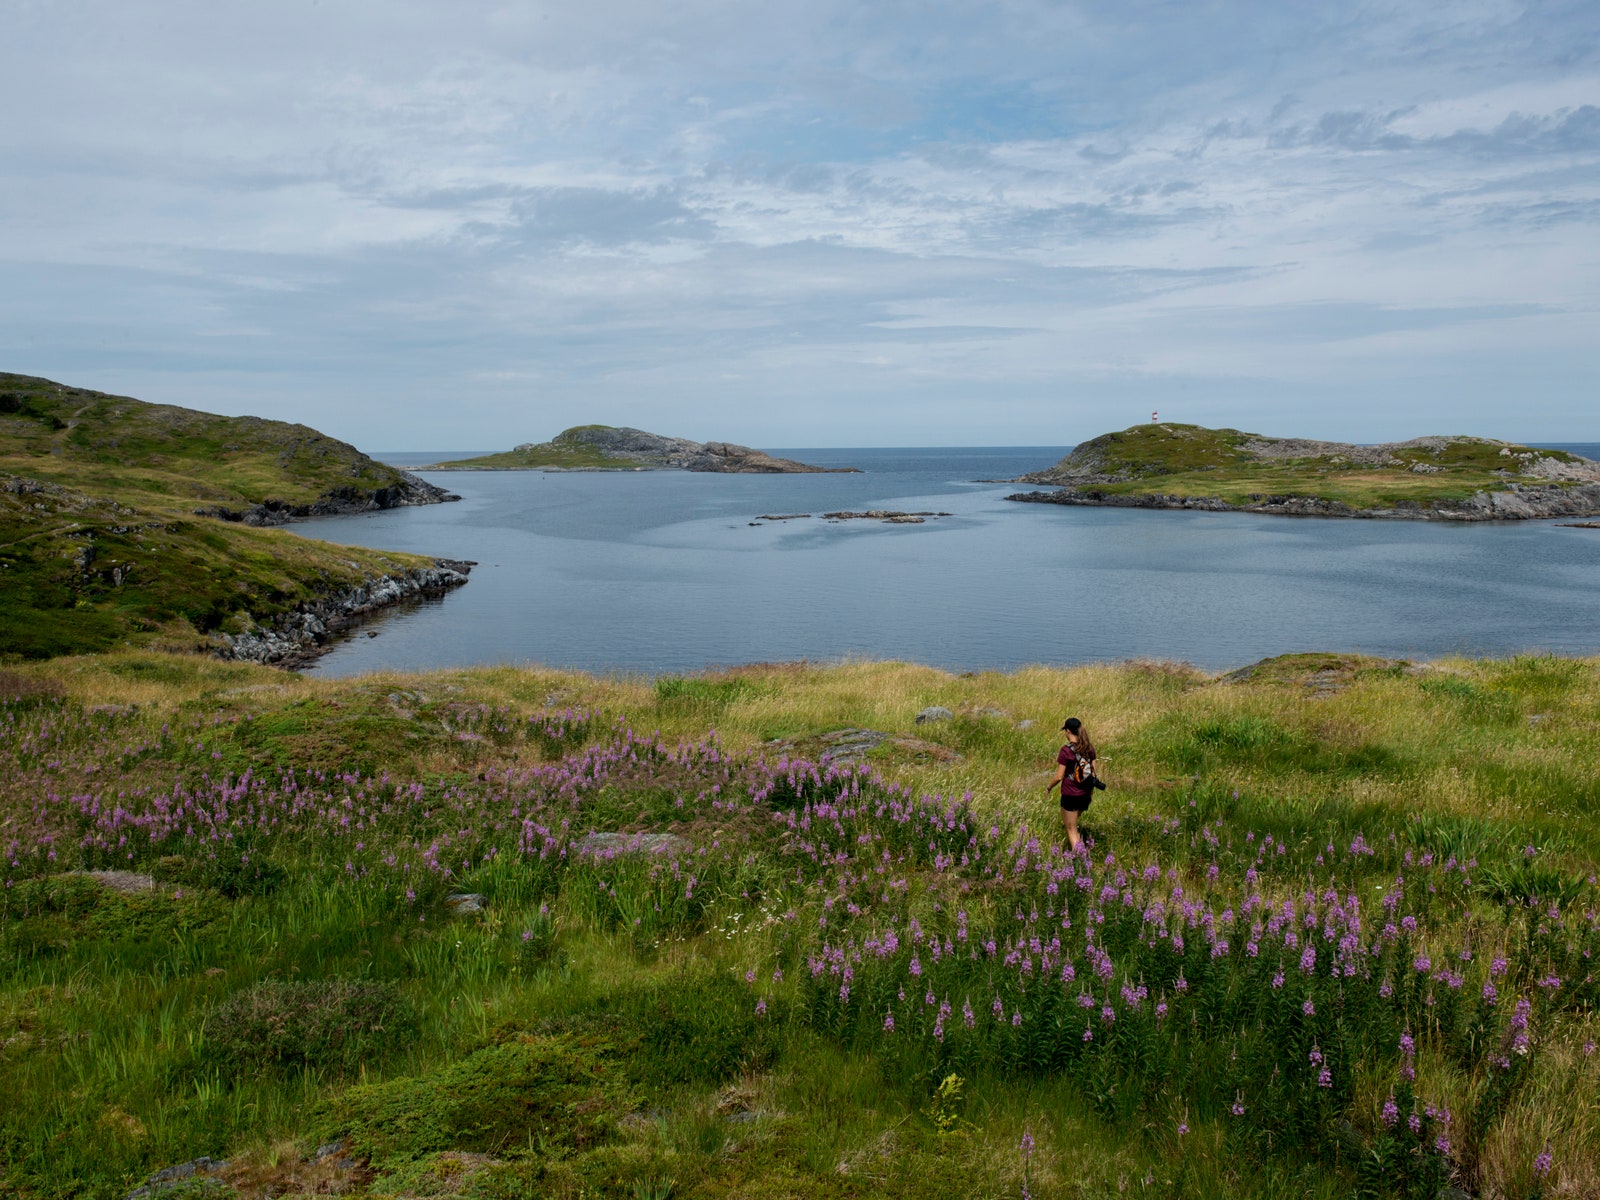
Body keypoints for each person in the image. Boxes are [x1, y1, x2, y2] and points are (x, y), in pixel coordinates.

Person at [1047, 716, 1096, 852]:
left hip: (1070, 795)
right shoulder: (1089, 749)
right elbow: (1093, 775)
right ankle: (1082, 855)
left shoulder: (1066, 751)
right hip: (1085, 795)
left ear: (1068, 731)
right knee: (1074, 826)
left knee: (1071, 828)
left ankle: (1081, 861)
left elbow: (1058, 777)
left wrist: (1048, 787)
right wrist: (1090, 794)